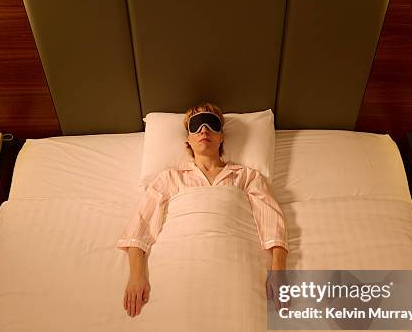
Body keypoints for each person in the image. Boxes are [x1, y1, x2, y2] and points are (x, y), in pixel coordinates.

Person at [117, 102, 289, 317]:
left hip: (234, 263)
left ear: (222, 136)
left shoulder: (247, 177)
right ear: (188, 139)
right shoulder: (169, 178)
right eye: (196, 125)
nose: (204, 130)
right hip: (180, 264)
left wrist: (279, 270)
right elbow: (140, 227)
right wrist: (136, 275)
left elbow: (271, 222)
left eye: (211, 124)